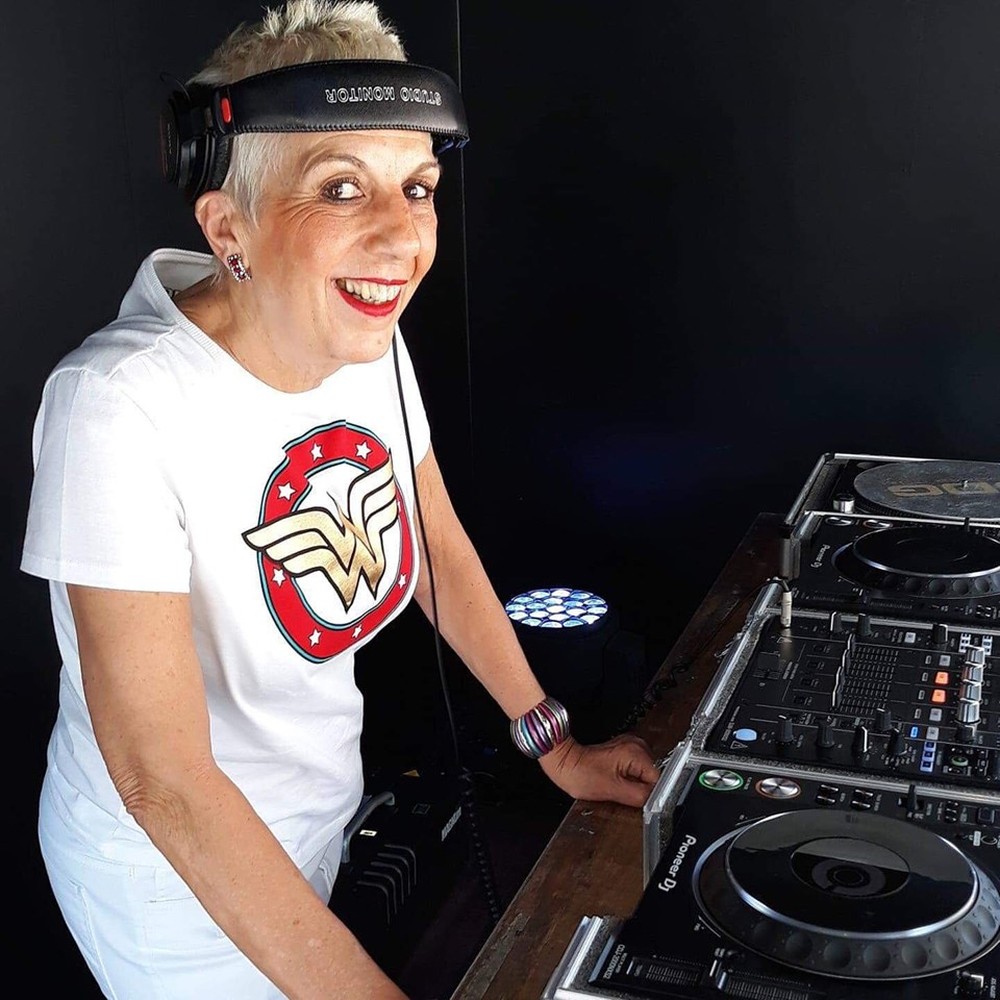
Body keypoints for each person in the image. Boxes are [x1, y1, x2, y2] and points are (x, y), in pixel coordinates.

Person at [20, 2, 660, 998]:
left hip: (316, 826)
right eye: (339, 187)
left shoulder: (364, 334)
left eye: (418, 187)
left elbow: (432, 537)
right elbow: (163, 778)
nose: (401, 235)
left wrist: (554, 742)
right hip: (173, 893)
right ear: (227, 227)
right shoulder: (114, 404)